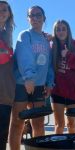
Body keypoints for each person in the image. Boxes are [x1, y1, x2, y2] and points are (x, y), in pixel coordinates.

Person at [9, 6, 54, 150]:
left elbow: (49, 64)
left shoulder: (47, 40)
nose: (35, 18)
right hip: (23, 84)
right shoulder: (25, 35)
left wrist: (49, 82)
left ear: (44, 18)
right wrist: (28, 78)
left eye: (38, 15)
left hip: (39, 86)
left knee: (38, 124)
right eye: (31, 15)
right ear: (28, 18)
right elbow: (24, 57)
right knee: (18, 123)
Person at [51, 20, 75, 134]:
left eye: (63, 28)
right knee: (59, 125)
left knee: (72, 125)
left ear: (68, 30)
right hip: (57, 91)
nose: (61, 31)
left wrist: (68, 55)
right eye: (58, 29)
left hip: (73, 91)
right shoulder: (52, 47)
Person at [0, 1, 15, 150]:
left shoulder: (8, 34)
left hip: (7, 93)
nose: (2, 12)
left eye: (5, 10)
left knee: (2, 138)